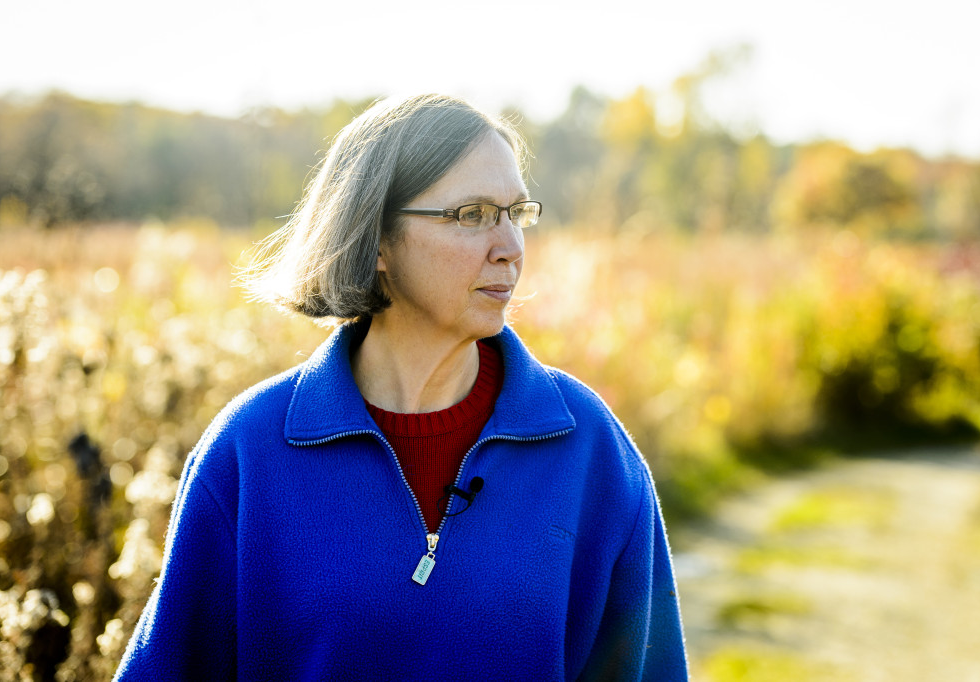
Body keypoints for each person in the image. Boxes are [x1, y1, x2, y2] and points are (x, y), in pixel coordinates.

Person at [115, 94, 688, 681]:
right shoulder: (250, 451)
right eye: (472, 214)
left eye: (516, 214)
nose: (511, 248)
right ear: (378, 239)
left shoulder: (589, 448)